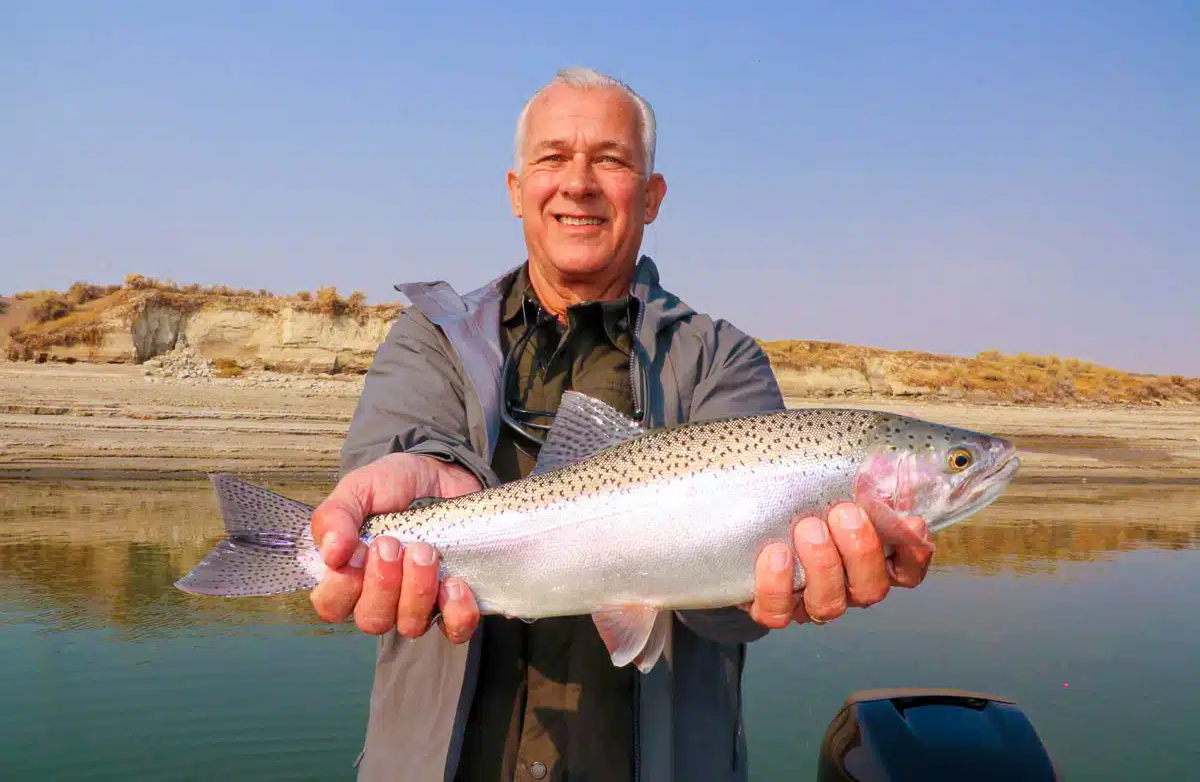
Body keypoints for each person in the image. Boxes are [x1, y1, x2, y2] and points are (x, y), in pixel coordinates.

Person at [308, 67, 934, 782]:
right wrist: (412, 480)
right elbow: (403, 451)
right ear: (516, 190)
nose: (578, 183)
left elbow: (734, 610)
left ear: (653, 195)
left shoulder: (723, 359)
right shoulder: (431, 338)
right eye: (552, 158)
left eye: (610, 160)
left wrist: (785, 584)